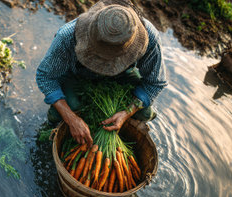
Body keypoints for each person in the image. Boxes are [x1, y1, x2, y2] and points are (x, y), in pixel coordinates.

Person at [36, 0, 167, 146]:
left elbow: (155, 83)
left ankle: (128, 132)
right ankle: (51, 132)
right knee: (66, 110)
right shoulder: (67, 36)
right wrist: (71, 119)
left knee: (144, 113)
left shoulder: (149, 38)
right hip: (78, 76)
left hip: (122, 77)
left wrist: (127, 112)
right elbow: (46, 77)